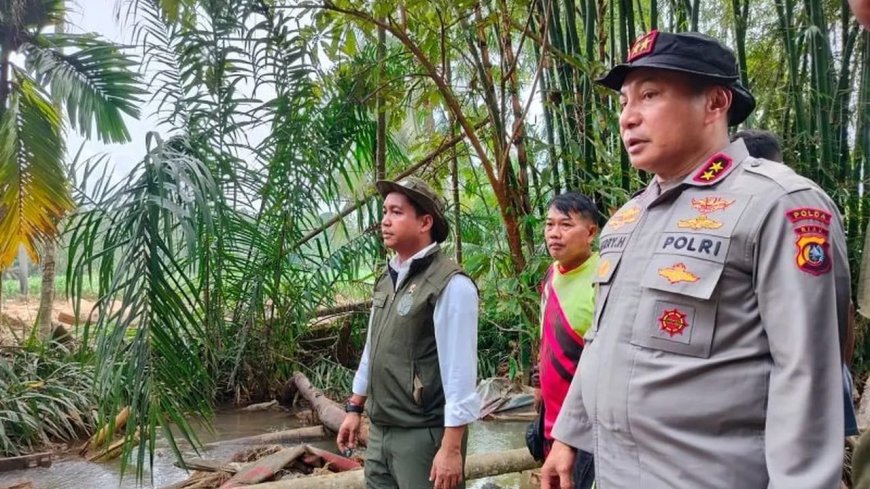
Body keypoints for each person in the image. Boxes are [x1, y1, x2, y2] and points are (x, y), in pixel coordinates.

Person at [541, 30, 850, 489]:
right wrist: (568, 436)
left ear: (715, 103)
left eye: (650, 95)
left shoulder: (777, 204)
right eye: (624, 102)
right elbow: (602, 342)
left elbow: (808, 376)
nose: (628, 118)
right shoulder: (627, 219)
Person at [336, 177, 480, 489]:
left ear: (425, 221)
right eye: (385, 211)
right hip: (380, 431)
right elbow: (371, 350)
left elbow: (461, 374)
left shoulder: (451, 284)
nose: (385, 221)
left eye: (397, 212)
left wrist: (451, 448)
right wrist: (354, 409)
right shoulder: (386, 280)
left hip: (423, 435)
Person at [730, 128, 860, 438]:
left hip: (768, 378)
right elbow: (843, 307)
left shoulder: (793, 199)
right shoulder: (809, 197)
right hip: (816, 365)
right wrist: (839, 368)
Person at [536, 192, 600, 489]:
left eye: (565, 225)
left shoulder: (604, 278)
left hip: (588, 427)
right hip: (552, 419)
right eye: (549, 225)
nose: (554, 233)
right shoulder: (551, 275)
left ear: (590, 232)